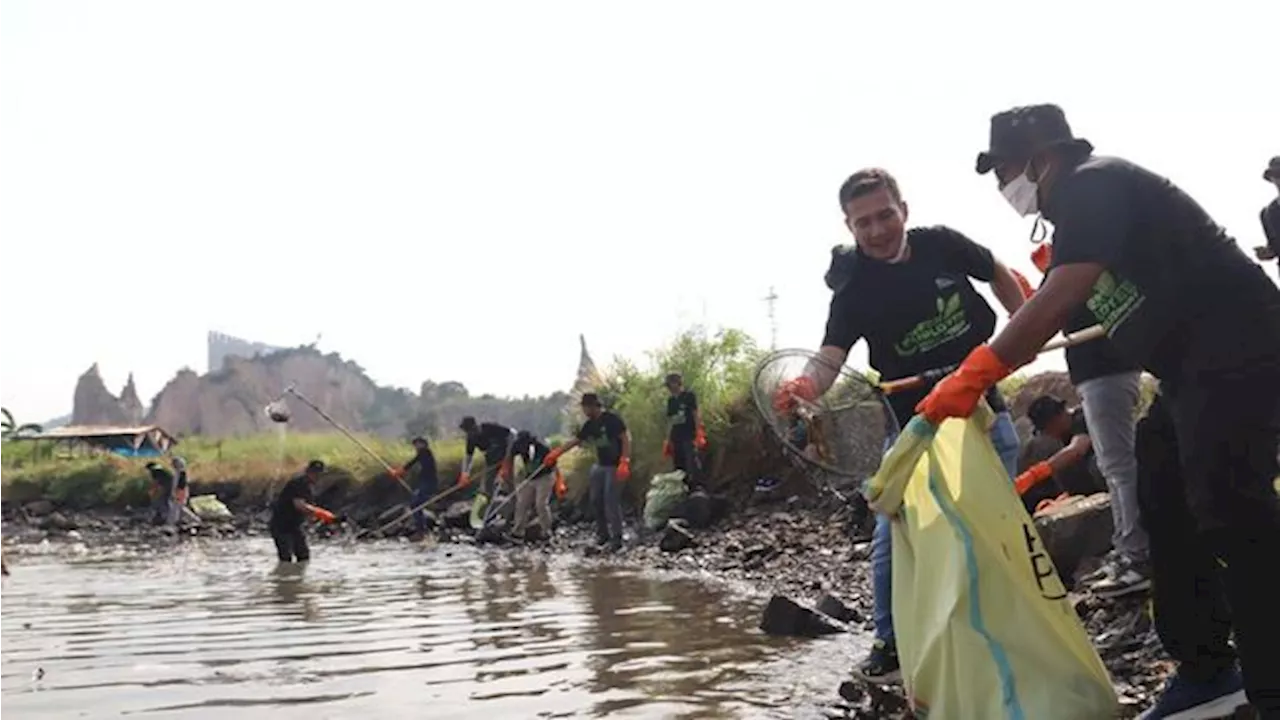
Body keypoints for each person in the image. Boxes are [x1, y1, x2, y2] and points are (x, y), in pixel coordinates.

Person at [923, 103, 1280, 718]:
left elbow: (1060, 298)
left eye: (1004, 170)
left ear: (1039, 158)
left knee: (1231, 508)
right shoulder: (1076, 210)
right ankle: (1207, 669)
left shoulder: (1094, 181)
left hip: (1241, 354)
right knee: (1162, 494)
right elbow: (1071, 288)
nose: (1004, 186)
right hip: (1189, 373)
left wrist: (976, 372)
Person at [774, 166, 1028, 685]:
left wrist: (1024, 325)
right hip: (911, 423)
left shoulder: (943, 245)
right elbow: (828, 358)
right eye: (862, 222)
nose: (877, 230)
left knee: (994, 525)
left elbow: (998, 270)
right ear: (849, 227)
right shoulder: (853, 291)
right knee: (895, 539)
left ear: (904, 211)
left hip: (982, 404)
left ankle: (1001, 628)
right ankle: (889, 644)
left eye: (885, 215)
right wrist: (802, 389)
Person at [543, 393, 631, 552]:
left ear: (593, 406)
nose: (584, 411)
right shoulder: (590, 425)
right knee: (596, 500)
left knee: (611, 501)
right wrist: (556, 453)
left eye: (585, 407)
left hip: (615, 466)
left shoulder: (611, 420)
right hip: (600, 465)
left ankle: (617, 538)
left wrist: (625, 461)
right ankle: (602, 535)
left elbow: (625, 438)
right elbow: (575, 441)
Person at [1017, 395, 1103, 512]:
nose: (1048, 434)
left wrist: (1034, 474)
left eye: (1046, 429)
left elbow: (1077, 449)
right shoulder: (1064, 434)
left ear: (1056, 419)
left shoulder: (1081, 418)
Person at [269, 460, 337, 562]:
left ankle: (298, 576)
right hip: (281, 527)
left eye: (320, 474)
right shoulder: (298, 483)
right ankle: (284, 577)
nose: (319, 477)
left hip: (295, 526)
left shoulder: (309, 486)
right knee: (286, 558)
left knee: (304, 557)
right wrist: (324, 515)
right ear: (309, 472)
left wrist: (329, 519)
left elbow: (307, 510)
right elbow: (300, 506)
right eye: (316, 473)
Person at [459, 417, 517, 527]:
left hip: (506, 456)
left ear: (475, 426)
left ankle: (515, 510)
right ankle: (489, 513)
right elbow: (468, 457)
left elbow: (512, 434)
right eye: (467, 432)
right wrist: (465, 474)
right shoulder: (471, 439)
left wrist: (507, 459)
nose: (469, 433)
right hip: (491, 460)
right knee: (487, 486)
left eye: (470, 430)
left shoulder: (490, 428)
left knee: (509, 481)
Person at [504, 429, 558, 540]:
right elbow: (510, 459)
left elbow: (553, 463)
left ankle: (547, 531)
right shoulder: (517, 445)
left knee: (540, 504)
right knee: (522, 503)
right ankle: (518, 532)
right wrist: (507, 475)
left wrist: (549, 463)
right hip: (530, 478)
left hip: (545, 477)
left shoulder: (542, 447)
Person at [663, 373, 707, 488]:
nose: (669, 388)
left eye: (670, 384)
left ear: (677, 383)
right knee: (679, 464)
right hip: (676, 436)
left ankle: (698, 486)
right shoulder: (671, 401)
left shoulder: (689, 396)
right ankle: (682, 487)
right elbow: (670, 421)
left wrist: (699, 431)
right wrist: (667, 440)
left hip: (689, 434)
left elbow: (695, 413)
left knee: (691, 461)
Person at [389, 437, 439, 536]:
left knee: (415, 505)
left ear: (423, 444)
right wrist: (399, 472)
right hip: (424, 483)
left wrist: (399, 471)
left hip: (429, 483)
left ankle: (422, 530)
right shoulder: (423, 454)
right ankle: (422, 529)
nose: (415, 447)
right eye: (415, 445)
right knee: (415, 504)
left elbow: (411, 463)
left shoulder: (425, 452)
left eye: (417, 444)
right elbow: (413, 463)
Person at [1253, 157, 1280, 275]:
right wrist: (1265, 253)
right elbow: (1274, 249)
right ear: (1271, 179)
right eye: (1276, 175)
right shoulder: (1267, 214)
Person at [146, 461, 176, 525]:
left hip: (167, 486)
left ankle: (165, 515)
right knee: (166, 499)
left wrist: (152, 491)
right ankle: (167, 514)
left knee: (162, 500)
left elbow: (156, 482)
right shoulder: (161, 469)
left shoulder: (154, 471)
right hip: (172, 485)